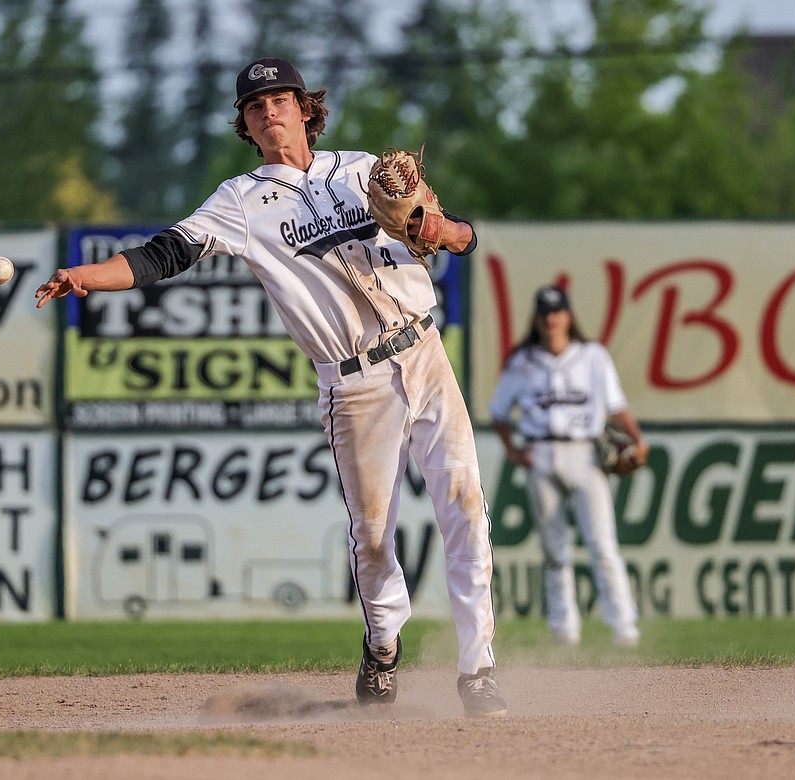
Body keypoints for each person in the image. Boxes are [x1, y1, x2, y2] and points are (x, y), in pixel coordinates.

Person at [36, 56, 506, 717]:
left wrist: (438, 228)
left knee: (464, 503)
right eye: (255, 105)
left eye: (281, 98)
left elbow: (460, 235)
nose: (269, 110)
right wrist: (90, 275)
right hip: (355, 385)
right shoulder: (241, 200)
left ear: (306, 108)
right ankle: (381, 646)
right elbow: (165, 253)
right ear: (246, 126)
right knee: (373, 536)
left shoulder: (361, 171)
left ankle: (478, 671)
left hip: (424, 354)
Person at [489, 285, 649, 647]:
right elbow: (498, 412)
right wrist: (512, 451)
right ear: (537, 318)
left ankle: (624, 627)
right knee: (553, 549)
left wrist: (638, 439)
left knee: (603, 545)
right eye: (545, 313)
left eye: (557, 311)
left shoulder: (593, 356)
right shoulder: (523, 360)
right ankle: (564, 629)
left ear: (568, 316)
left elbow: (615, 405)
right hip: (540, 454)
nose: (551, 319)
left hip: (586, 453)